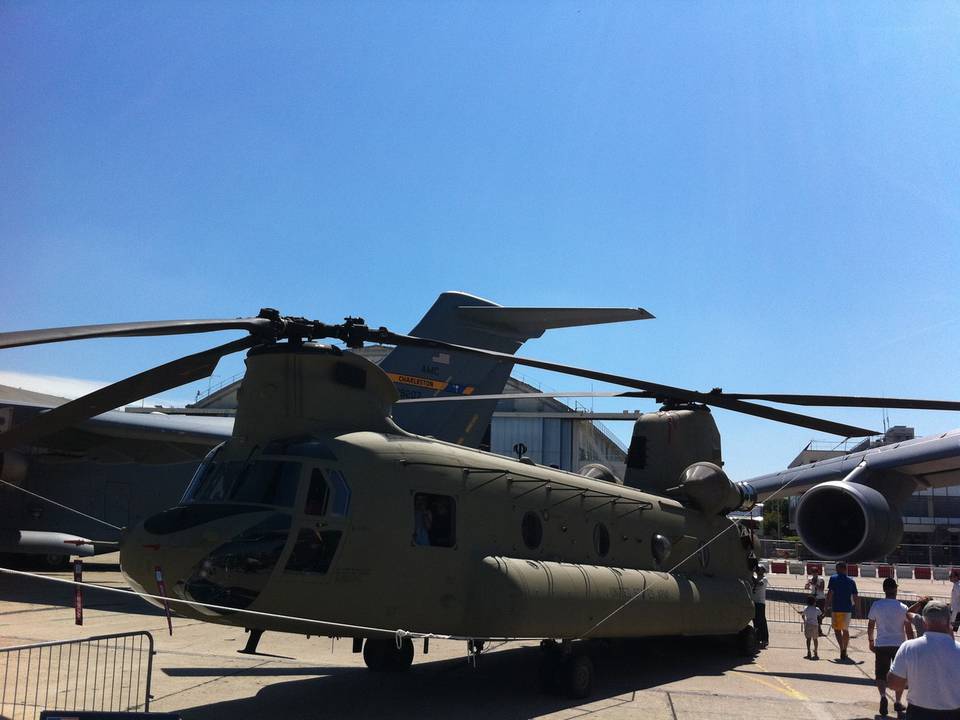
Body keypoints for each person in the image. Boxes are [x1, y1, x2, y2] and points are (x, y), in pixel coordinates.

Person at [887, 600, 960, 719]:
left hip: (918, 713)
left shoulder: (908, 648)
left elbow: (894, 684)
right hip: (953, 714)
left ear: (924, 622)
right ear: (948, 622)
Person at [868, 577, 914, 717]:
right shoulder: (903, 607)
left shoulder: (876, 605)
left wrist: (871, 641)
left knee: (881, 673)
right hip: (899, 644)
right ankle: (898, 701)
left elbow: (871, 625)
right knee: (900, 674)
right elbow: (908, 629)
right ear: (895, 589)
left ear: (884, 590)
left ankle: (883, 696)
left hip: (882, 643)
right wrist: (911, 644)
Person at [826, 561, 859, 661]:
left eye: (837, 568)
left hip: (836, 608)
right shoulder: (851, 581)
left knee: (837, 630)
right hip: (847, 608)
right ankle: (844, 648)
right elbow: (855, 596)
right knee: (845, 629)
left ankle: (841, 648)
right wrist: (858, 609)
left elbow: (830, 593)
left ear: (840, 569)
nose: (836, 570)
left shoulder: (833, 578)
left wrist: (826, 605)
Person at [797, 595, 822, 660]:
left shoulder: (806, 608)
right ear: (814, 602)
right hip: (815, 625)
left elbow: (803, 615)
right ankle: (816, 651)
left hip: (808, 625)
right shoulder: (817, 609)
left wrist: (804, 619)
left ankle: (808, 651)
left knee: (808, 639)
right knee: (815, 639)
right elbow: (820, 614)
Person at [805, 570, 827, 636]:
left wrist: (814, 584)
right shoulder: (810, 579)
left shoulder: (821, 579)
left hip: (820, 598)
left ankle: (819, 629)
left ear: (817, 573)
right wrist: (807, 585)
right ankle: (817, 630)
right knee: (813, 614)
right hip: (813, 598)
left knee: (820, 614)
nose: (814, 574)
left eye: (815, 573)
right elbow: (806, 588)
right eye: (813, 573)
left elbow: (822, 589)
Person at [752, 566, 769, 649]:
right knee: (755, 621)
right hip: (754, 602)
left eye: (760, 569)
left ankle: (764, 639)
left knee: (761, 621)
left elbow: (759, 583)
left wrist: (751, 576)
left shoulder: (764, 579)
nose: (758, 570)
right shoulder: (754, 577)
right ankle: (757, 639)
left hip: (760, 603)